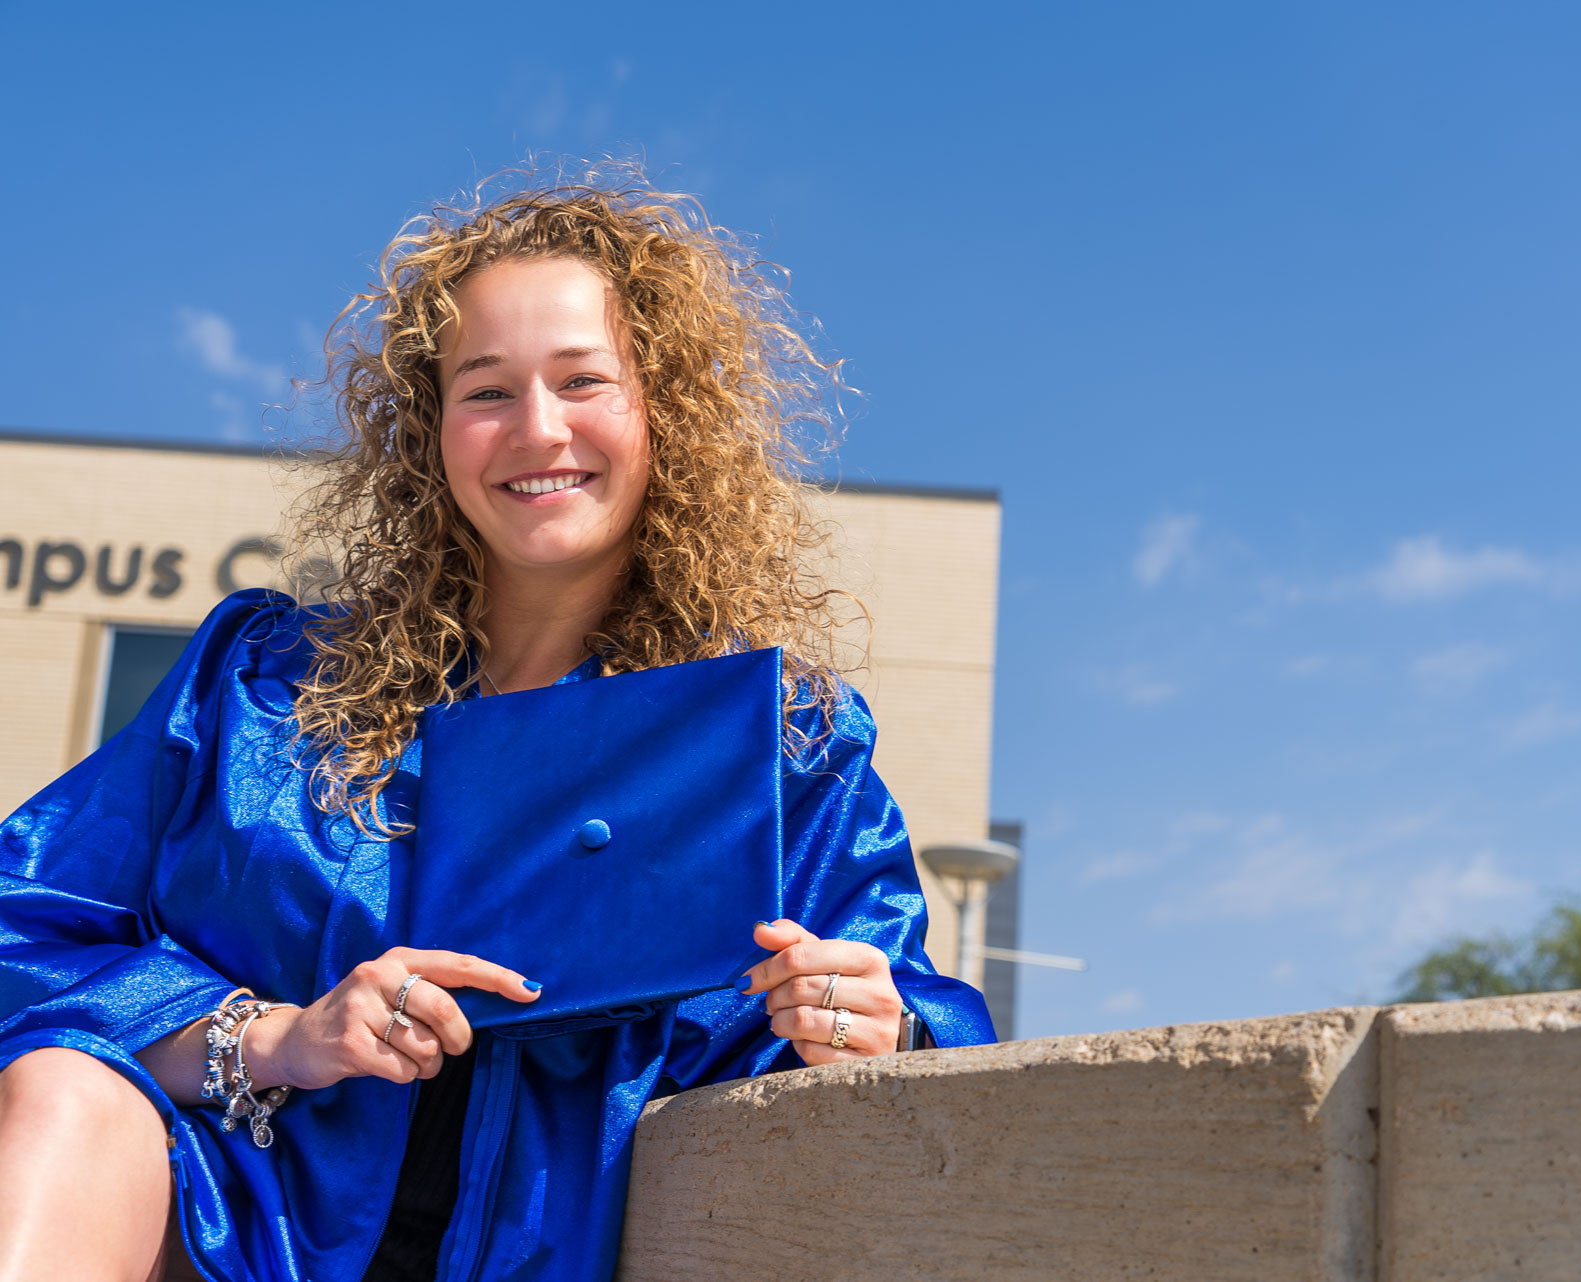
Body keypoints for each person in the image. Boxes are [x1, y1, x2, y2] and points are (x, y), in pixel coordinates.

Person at [0, 171, 992, 1282]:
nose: (537, 430)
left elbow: (934, 1034)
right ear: (428, 429)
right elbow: (20, 926)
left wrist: (874, 1022)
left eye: (584, 382)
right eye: (486, 391)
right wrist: (278, 1036)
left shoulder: (779, 751)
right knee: (65, 1089)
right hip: (222, 1234)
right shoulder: (263, 683)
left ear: (665, 413)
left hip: (552, 1254)